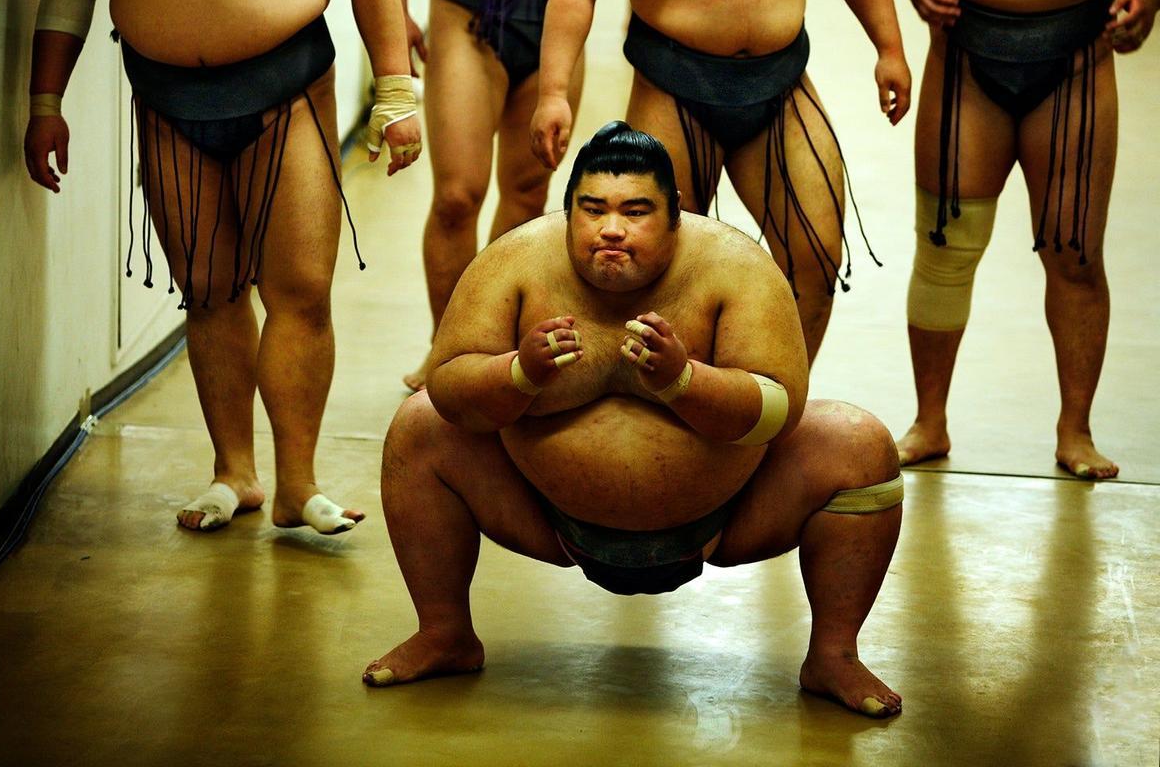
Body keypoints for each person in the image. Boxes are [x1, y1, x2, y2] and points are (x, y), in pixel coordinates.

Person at [364, 123, 905, 719]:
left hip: (727, 517)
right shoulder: (516, 260)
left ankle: (834, 654)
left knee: (859, 444)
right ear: (568, 212)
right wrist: (519, 373)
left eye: (636, 211)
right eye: (592, 210)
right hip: (544, 513)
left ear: (676, 216)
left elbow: (779, 408)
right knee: (418, 426)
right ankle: (445, 632)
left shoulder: (733, 265)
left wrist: (684, 382)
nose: (611, 229)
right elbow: (449, 386)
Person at [23, 0, 422, 532]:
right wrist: (45, 102)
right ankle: (234, 471)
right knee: (207, 290)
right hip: (166, 99)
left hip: (289, 84)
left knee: (302, 289)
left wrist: (396, 91)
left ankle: (299, 484)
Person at [529, 0, 912, 364]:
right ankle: (672, 406)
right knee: (657, 268)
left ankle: (780, 397)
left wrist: (889, 48)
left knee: (815, 257)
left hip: (781, 80)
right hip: (671, 82)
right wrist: (554, 91)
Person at [889, 0, 1159, 478]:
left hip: (1078, 55)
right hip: (963, 53)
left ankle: (1076, 430)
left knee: (1075, 255)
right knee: (945, 248)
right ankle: (929, 421)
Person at [394, 0, 585, 391]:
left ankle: (491, 342)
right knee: (458, 196)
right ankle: (449, 346)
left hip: (558, 16)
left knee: (528, 193)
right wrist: (396, 8)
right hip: (467, 8)